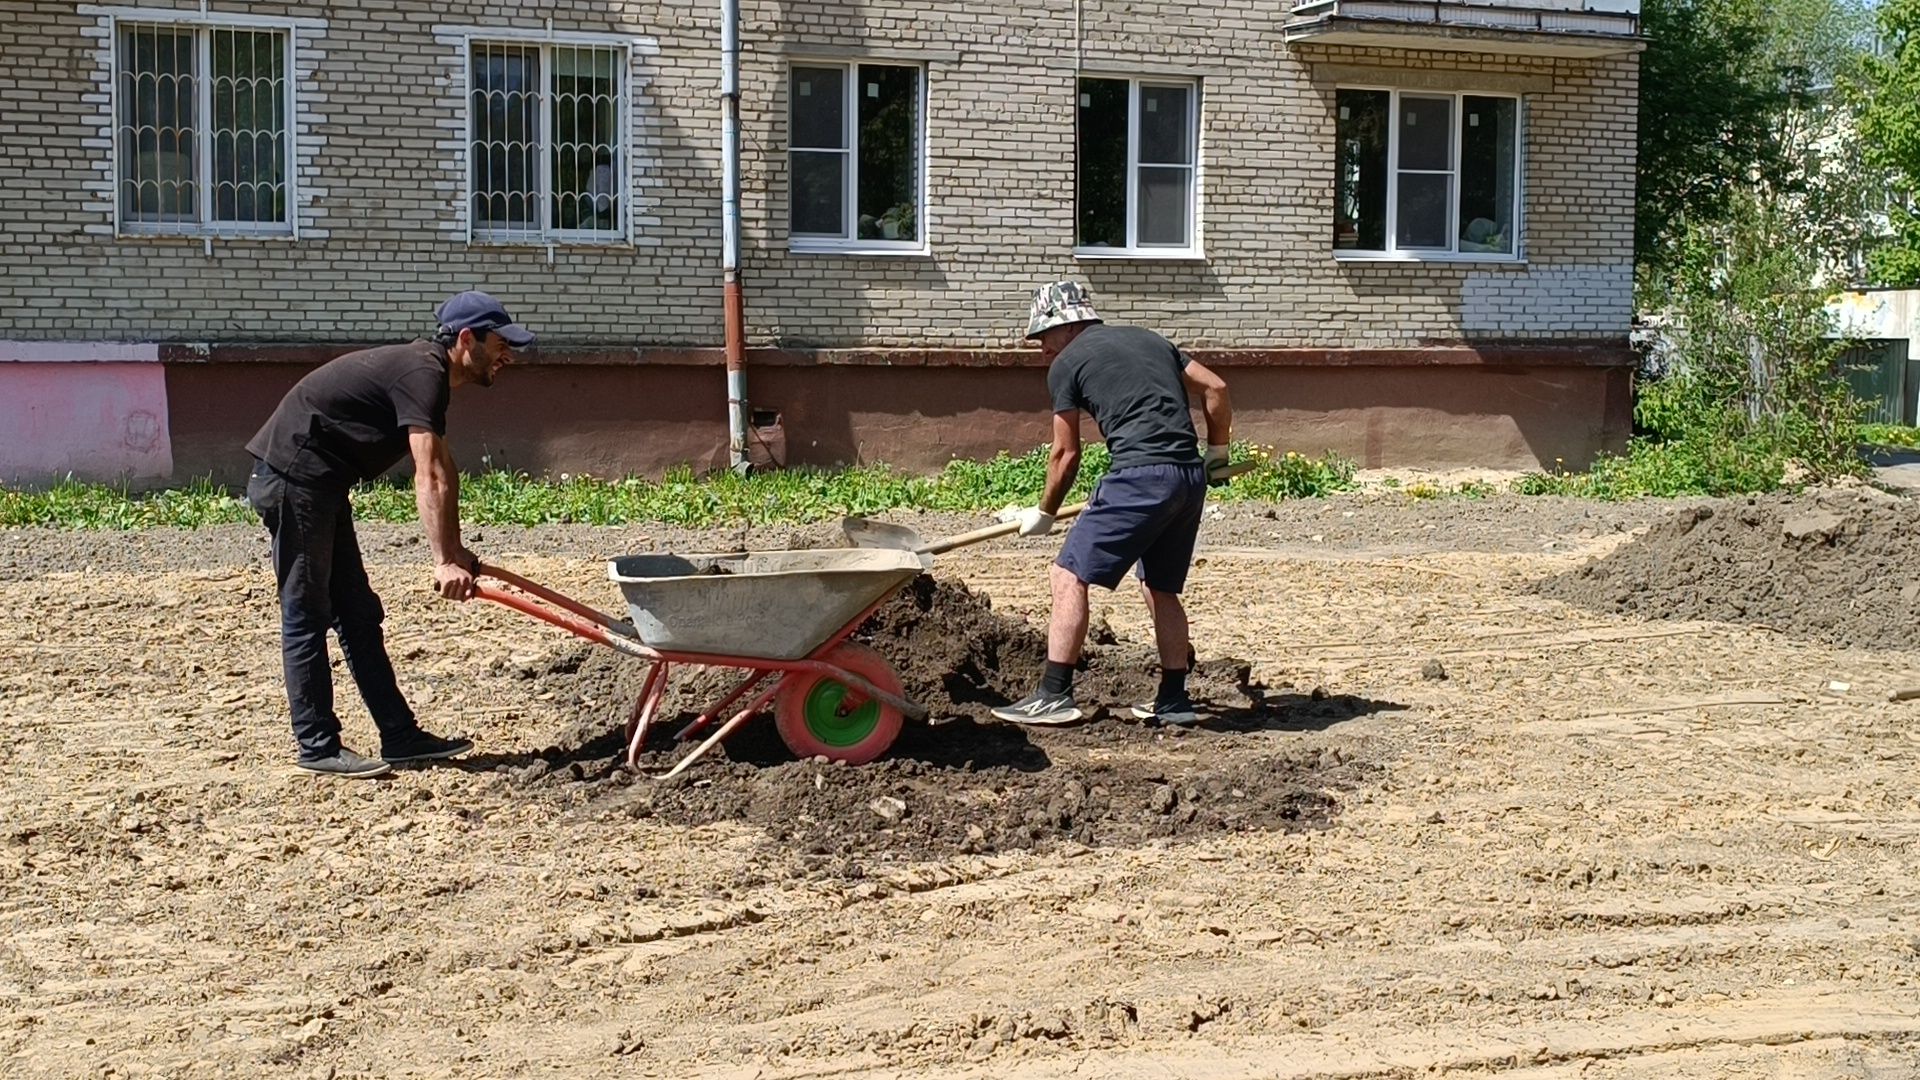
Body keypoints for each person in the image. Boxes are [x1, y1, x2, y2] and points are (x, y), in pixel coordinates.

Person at [244, 291, 534, 778]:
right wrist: (442, 561)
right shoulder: (423, 373)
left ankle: (399, 735)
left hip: (321, 483)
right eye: (501, 343)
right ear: (467, 340)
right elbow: (427, 475)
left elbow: (446, 467)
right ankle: (316, 745)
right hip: (293, 480)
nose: (509, 355)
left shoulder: (430, 374)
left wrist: (456, 548)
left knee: (357, 613)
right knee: (307, 613)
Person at [990, 281, 1233, 727]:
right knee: (1160, 586)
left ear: (1067, 326)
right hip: (1186, 477)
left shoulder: (1067, 363)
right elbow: (1215, 387)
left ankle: (1053, 694)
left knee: (1066, 574)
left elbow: (1065, 454)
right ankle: (1174, 701)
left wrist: (1044, 512)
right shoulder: (1151, 340)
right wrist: (1217, 454)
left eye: (1043, 336)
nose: (1043, 349)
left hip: (1139, 476)